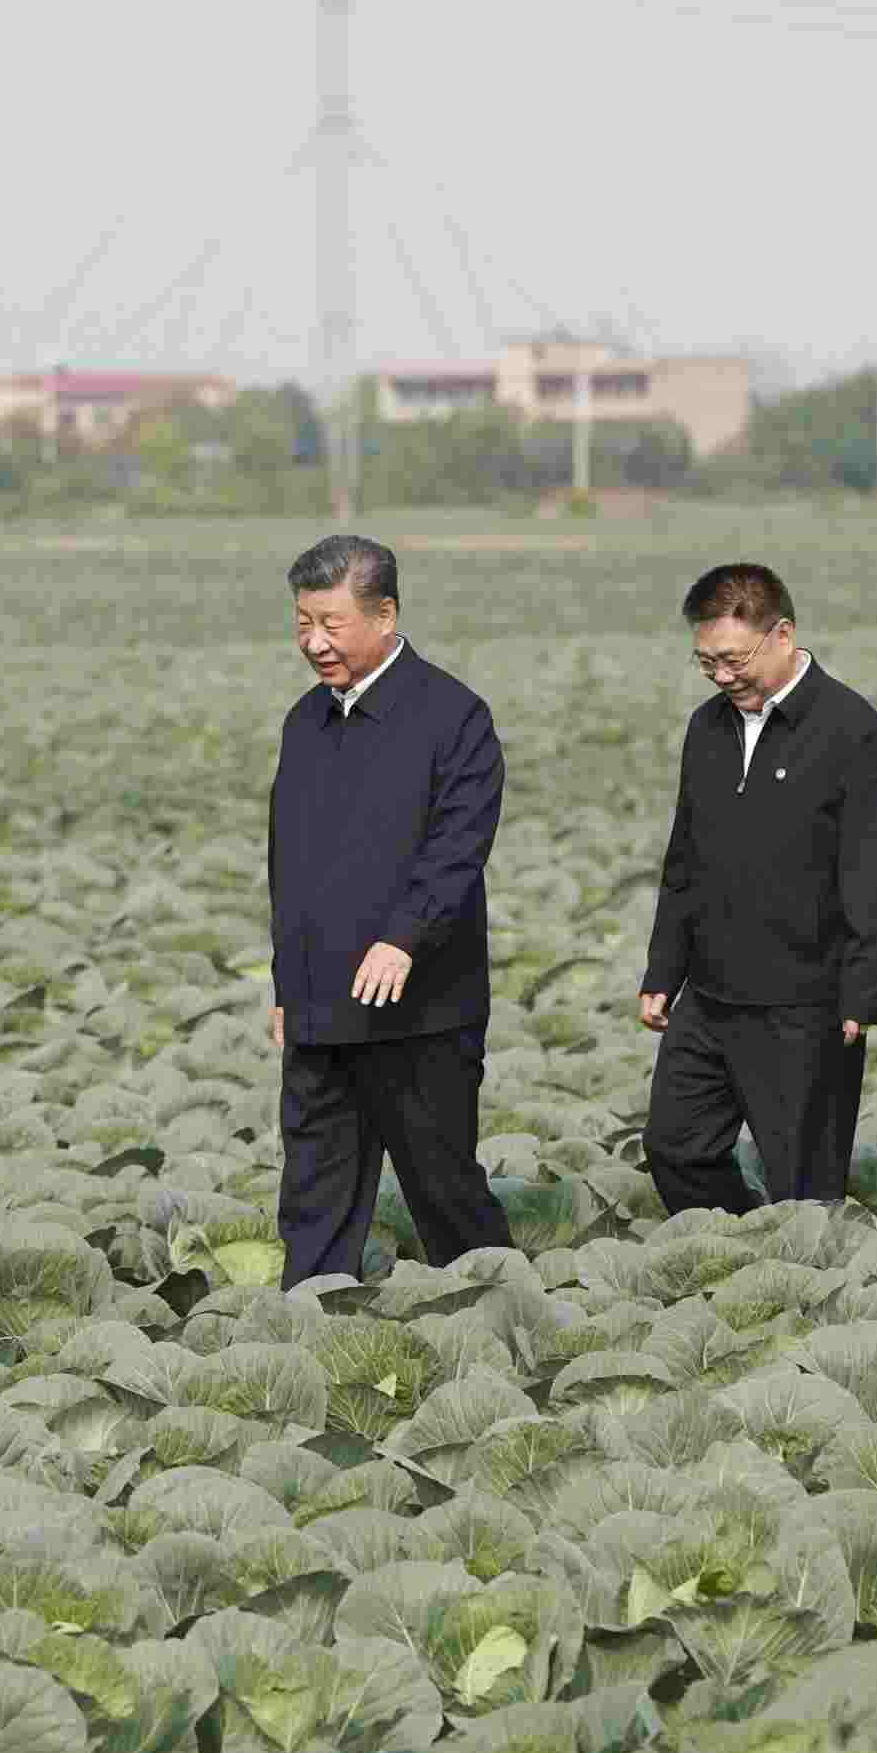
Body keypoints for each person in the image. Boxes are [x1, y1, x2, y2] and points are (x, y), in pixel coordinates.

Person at [266, 533, 514, 1286]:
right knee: (314, 1190)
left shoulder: (454, 717)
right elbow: (288, 866)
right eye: (303, 623)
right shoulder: (304, 723)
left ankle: (501, 1309)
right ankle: (309, 1317)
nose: (314, 642)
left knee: (442, 1187)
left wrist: (403, 937)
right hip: (319, 1008)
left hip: (420, 1011)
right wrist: (286, 985)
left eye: (331, 624)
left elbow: (458, 848)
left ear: (385, 615)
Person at [638, 563, 877, 1215]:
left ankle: (804, 1272)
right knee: (675, 1146)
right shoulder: (706, 728)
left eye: (733, 660)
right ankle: (742, 1243)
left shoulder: (850, 728)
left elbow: (875, 872)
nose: (722, 676)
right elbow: (684, 860)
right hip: (710, 996)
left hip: (805, 1004)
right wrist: (663, 971)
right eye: (706, 662)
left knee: (805, 1189)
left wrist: (863, 988)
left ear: (782, 634)